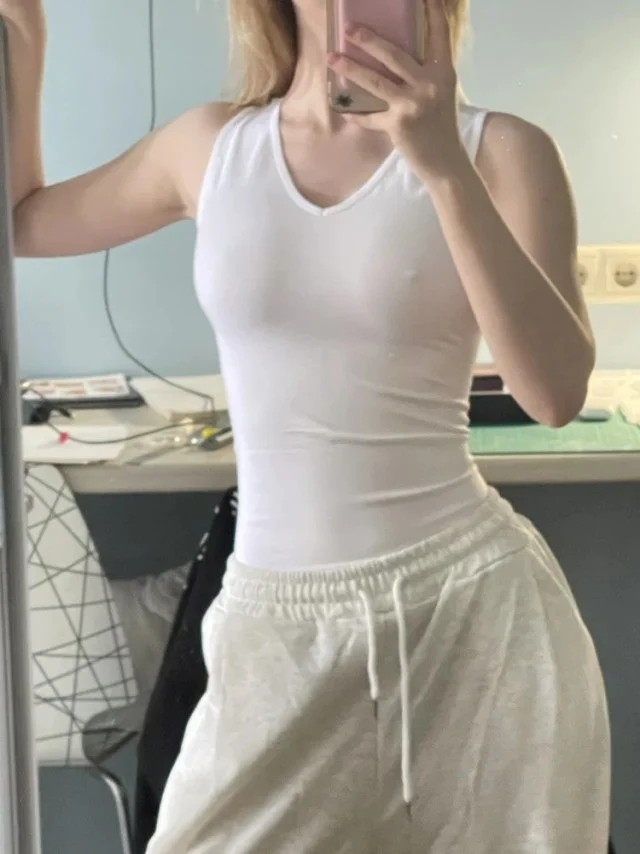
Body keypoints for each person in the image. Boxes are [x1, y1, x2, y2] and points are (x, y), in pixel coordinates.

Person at [4, 0, 611, 851]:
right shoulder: (210, 146)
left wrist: (441, 166)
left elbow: (553, 394)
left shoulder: (502, 151)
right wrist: (24, 42)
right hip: (273, 619)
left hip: (466, 612)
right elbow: (22, 221)